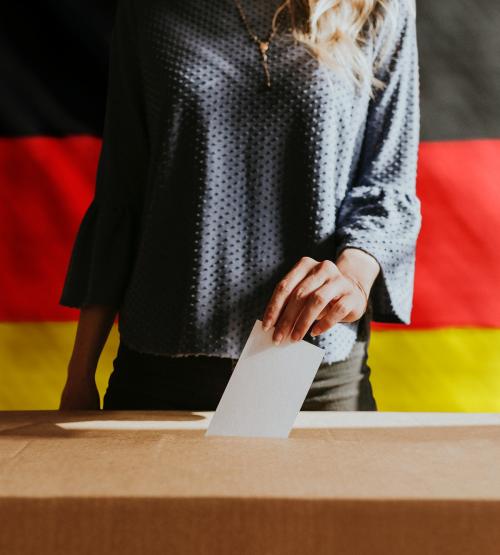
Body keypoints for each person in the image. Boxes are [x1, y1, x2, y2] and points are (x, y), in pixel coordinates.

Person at [58, 0, 421, 411]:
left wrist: (353, 277)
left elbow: (388, 186)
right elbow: (122, 192)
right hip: (160, 368)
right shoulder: (145, 10)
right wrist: (80, 373)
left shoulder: (375, 7)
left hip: (315, 369)